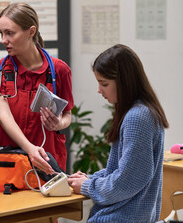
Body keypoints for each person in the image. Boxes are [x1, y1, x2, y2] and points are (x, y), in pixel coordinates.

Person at [67, 44, 169, 222]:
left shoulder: (137, 117)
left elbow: (127, 181)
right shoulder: (142, 112)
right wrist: (91, 178)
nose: (99, 90)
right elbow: (125, 170)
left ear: (124, 81)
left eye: (104, 84)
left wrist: (88, 186)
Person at [0, 2, 74, 173]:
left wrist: (58, 124)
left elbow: (67, 114)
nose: (4, 40)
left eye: (10, 33)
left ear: (31, 32)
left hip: (45, 159)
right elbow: (4, 117)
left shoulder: (59, 70)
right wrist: (29, 149)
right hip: (5, 162)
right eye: (1, 33)